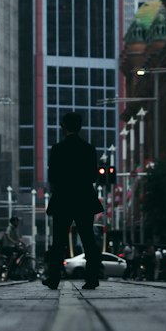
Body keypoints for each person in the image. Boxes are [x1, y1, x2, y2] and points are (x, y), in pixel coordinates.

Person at [45, 111, 104, 290]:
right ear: (80, 127)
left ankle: (54, 278)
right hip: (84, 198)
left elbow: (53, 177)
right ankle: (92, 278)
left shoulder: (57, 149)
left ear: (63, 127)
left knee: (58, 241)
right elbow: (93, 177)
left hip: (63, 198)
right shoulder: (89, 149)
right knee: (88, 239)